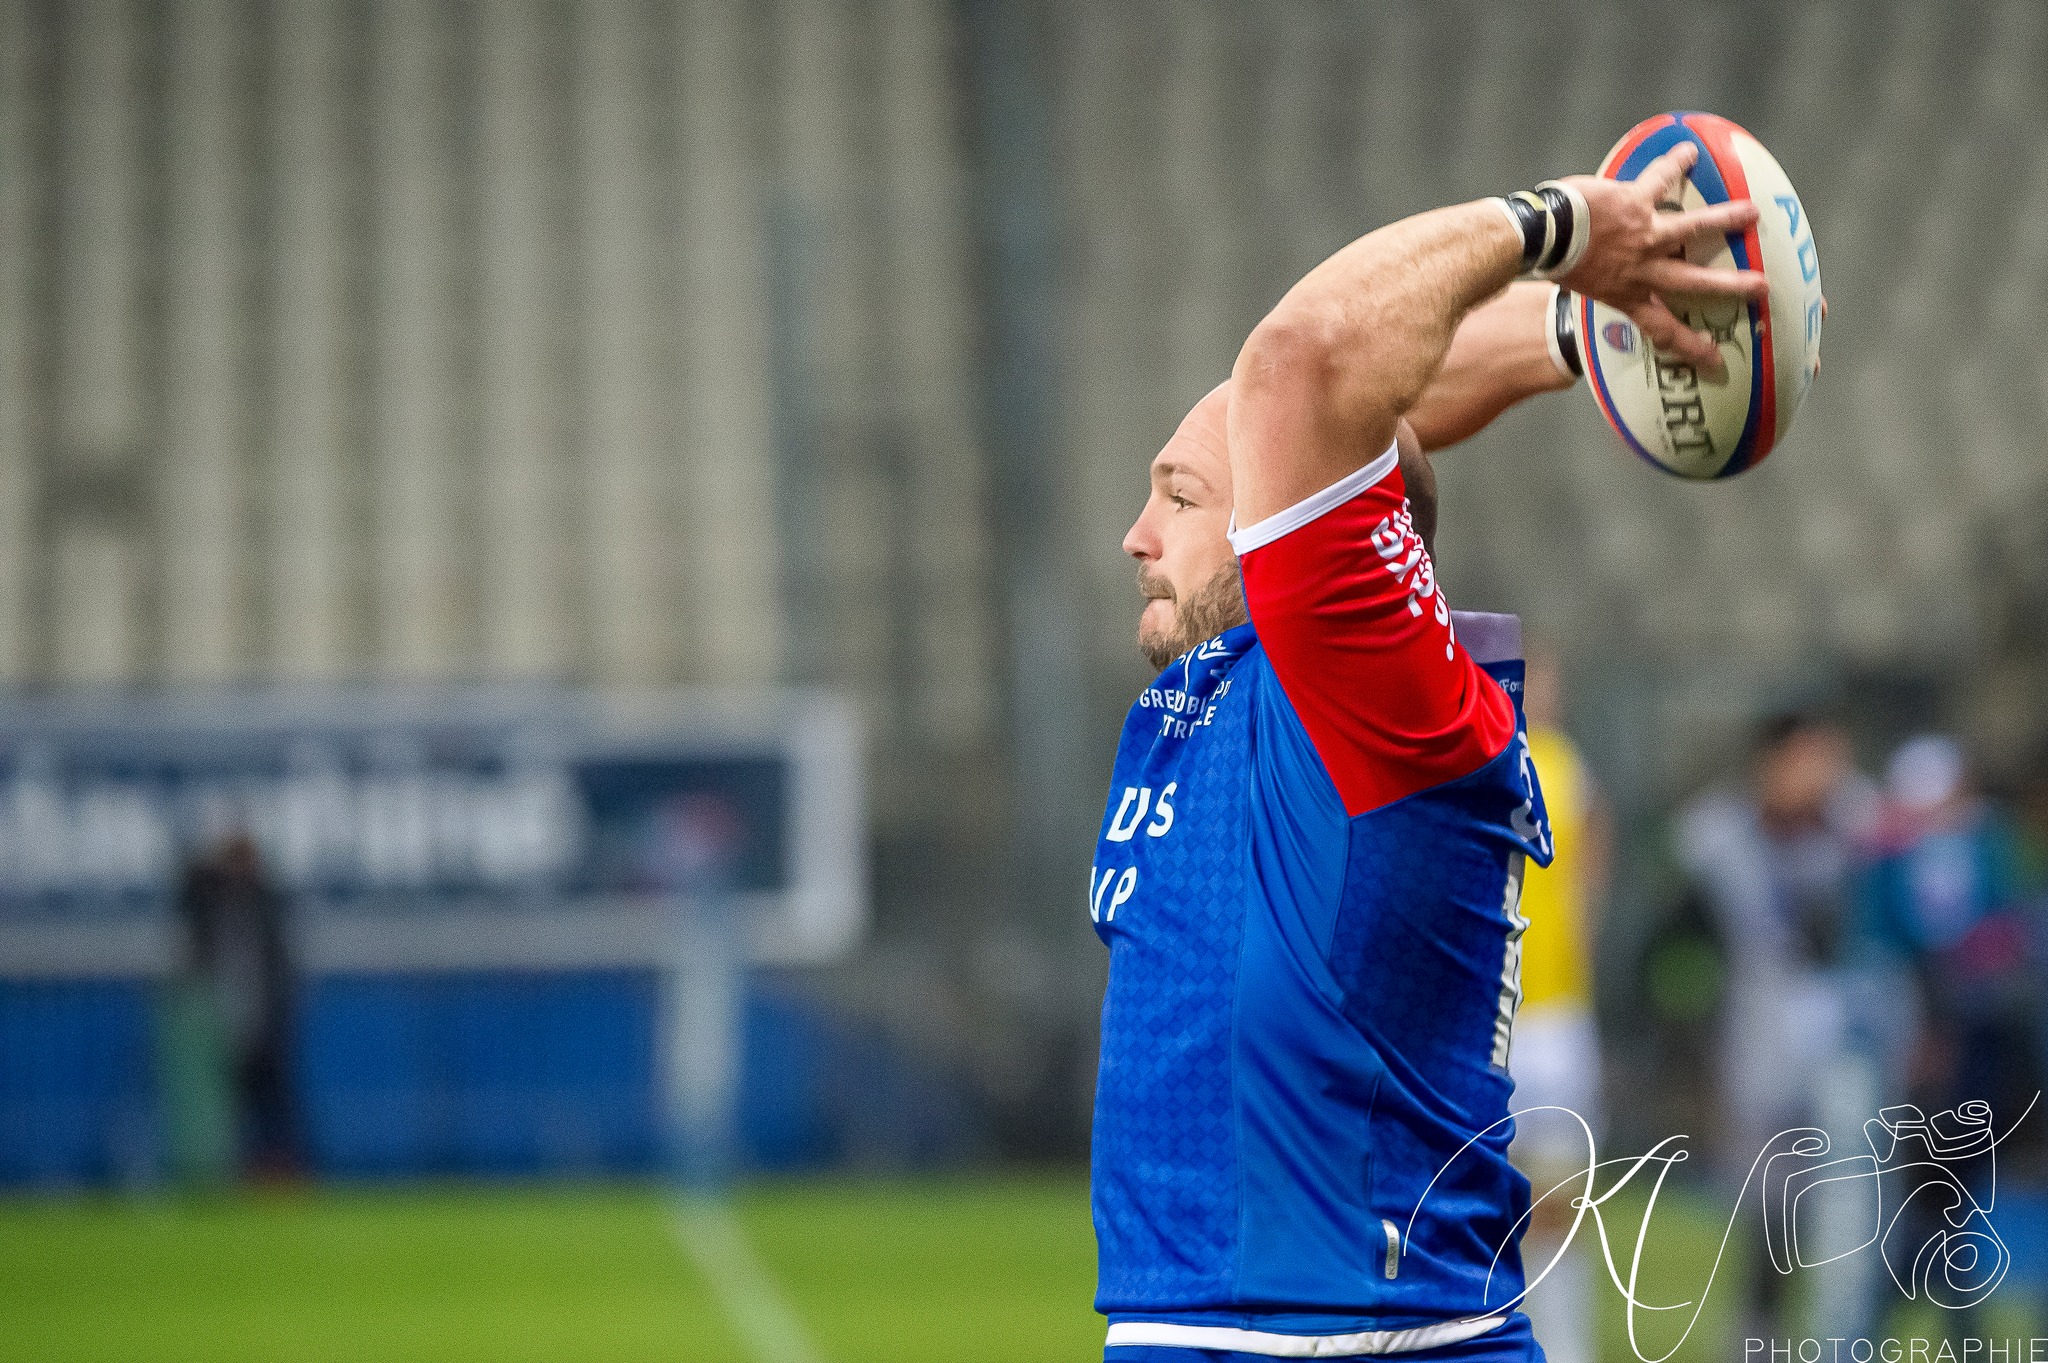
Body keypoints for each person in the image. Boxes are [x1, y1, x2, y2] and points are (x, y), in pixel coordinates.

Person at [1089, 145, 1765, 1361]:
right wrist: (1577, 330)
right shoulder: (1260, 687)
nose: (1136, 536)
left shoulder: (1369, 698)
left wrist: (1557, 225)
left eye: (1178, 497)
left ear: (1285, 540)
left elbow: (1303, 366)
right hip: (1217, 1323)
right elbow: (1361, 419)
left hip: (1346, 1338)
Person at [1673, 711, 1878, 1339]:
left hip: (1843, 1034)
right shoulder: (1723, 834)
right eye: (1808, 759)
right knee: (1769, 1209)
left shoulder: (1852, 829)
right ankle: (1759, 1337)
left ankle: (1842, 1339)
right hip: (1757, 1035)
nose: (1822, 775)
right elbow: (1684, 930)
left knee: (1848, 1203)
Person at [1505, 649, 1609, 1363]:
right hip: (1497, 1007)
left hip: (1558, 1008)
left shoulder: (1567, 764)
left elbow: (1596, 849)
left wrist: (1582, 925)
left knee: (1562, 1188)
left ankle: (1565, 1339)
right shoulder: (1483, 751)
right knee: (1492, 1185)